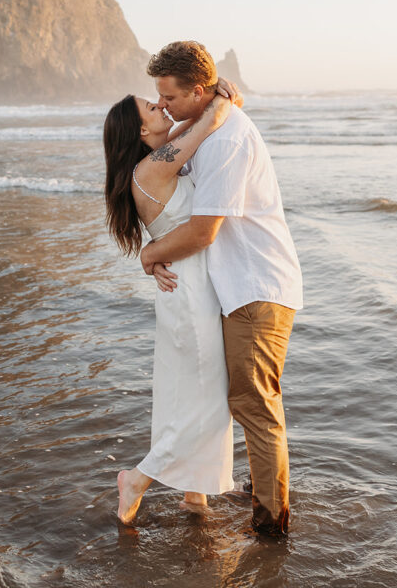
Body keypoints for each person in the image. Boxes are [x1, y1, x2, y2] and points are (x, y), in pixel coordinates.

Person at [140, 41, 303, 536]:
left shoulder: (229, 140)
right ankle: (260, 497)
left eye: (169, 96)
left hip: (256, 285)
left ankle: (272, 524)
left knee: (254, 401)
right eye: (157, 98)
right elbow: (180, 153)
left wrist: (151, 255)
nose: (163, 105)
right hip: (236, 284)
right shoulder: (213, 128)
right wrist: (214, 108)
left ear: (198, 90)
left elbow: (204, 231)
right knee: (245, 398)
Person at [103, 79, 240, 524]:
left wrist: (220, 98)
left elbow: (201, 124)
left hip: (186, 287)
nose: (162, 108)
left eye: (162, 102)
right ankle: (138, 478)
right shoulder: (155, 167)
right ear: (142, 133)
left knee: (188, 392)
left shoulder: (155, 162)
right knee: (209, 395)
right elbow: (210, 123)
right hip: (189, 292)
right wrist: (220, 98)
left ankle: (196, 494)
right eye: (152, 109)